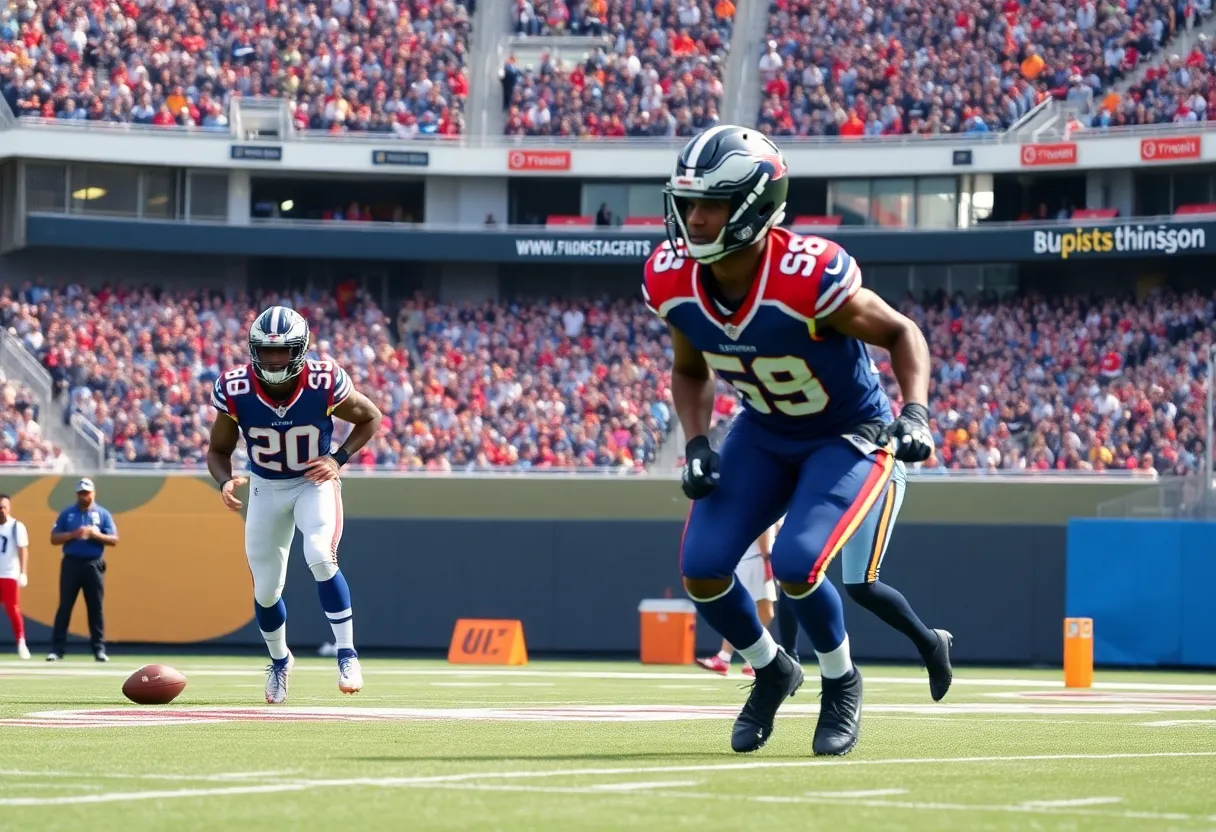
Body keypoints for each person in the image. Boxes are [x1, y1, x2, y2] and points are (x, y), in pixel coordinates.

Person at [642, 124, 948, 757]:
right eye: (688, 202)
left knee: (797, 563)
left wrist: (915, 413)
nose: (694, 218)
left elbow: (902, 333)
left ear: (754, 206)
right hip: (764, 428)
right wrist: (697, 442)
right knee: (702, 569)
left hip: (847, 433)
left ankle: (841, 682)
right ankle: (772, 668)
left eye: (712, 204)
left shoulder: (807, 275)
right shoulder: (672, 279)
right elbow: (690, 366)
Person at [207, 305, 382, 704]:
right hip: (265, 488)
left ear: (299, 350)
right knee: (266, 591)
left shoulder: (323, 381)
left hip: (311, 482)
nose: (273, 360)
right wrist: (223, 480)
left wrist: (338, 458)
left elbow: (371, 416)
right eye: (265, 352)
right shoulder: (235, 389)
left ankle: (347, 654)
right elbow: (218, 449)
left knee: (320, 554)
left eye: (281, 351)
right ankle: (280, 662)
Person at [696, 518, 781, 677]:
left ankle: (736, 658)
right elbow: (765, 528)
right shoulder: (770, 503)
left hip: (750, 561)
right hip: (756, 562)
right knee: (755, 612)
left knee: (760, 611)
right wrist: (767, 558)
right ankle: (730, 657)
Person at [48, 478, 118, 662]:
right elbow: (54, 538)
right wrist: (73, 534)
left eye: (86, 493)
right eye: (81, 493)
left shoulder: (102, 514)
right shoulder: (67, 514)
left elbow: (114, 539)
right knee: (65, 606)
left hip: (93, 563)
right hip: (71, 563)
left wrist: (96, 535)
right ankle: (57, 649)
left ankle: (99, 649)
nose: (84, 496)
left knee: (95, 608)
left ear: (93, 493)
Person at [0, 494, 31, 659]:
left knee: (12, 609)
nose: (2, 511)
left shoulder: (16, 526)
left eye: (4, 507)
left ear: (9, 508)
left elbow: (22, 550)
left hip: (9, 574)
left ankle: (21, 642)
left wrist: (23, 572)